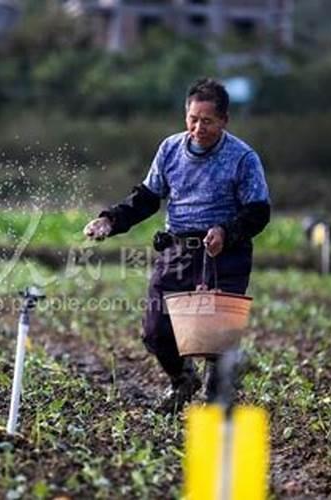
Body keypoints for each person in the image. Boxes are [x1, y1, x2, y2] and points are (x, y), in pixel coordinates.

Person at [83, 77, 271, 413]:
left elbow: (258, 212)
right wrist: (109, 220)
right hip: (177, 251)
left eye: (208, 121)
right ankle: (182, 379)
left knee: (215, 338)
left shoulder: (243, 158)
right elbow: (146, 198)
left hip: (224, 254)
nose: (198, 128)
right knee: (156, 331)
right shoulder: (170, 149)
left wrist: (227, 232)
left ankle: (218, 394)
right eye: (193, 119)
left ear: (224, 120)